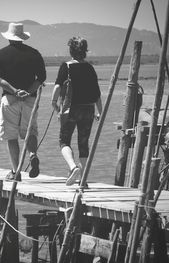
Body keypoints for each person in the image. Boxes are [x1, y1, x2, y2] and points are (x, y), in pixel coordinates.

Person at [0, 22, 46, 181]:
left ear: (9, 37)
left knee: (11, 136)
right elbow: (41, 78)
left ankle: (16, 172)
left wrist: (15, 91)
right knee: (30, 131)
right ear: (22, 37)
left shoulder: (0, 54)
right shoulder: (34, 53)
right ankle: (33, 154)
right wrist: (27, 92)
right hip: (30, 99)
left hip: (10, 99)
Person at [51, 36, 102, 186]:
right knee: (83, 143)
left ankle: (73, 167)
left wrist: (54, 103)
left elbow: (57, 87)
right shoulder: (90, 68)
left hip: (70, 109)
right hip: (88, 109)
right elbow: (97, 93)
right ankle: (83, 179)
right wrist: (100, 111)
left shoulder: (66, 66)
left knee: (64, 141)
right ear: (85, 51)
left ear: (71, 50)